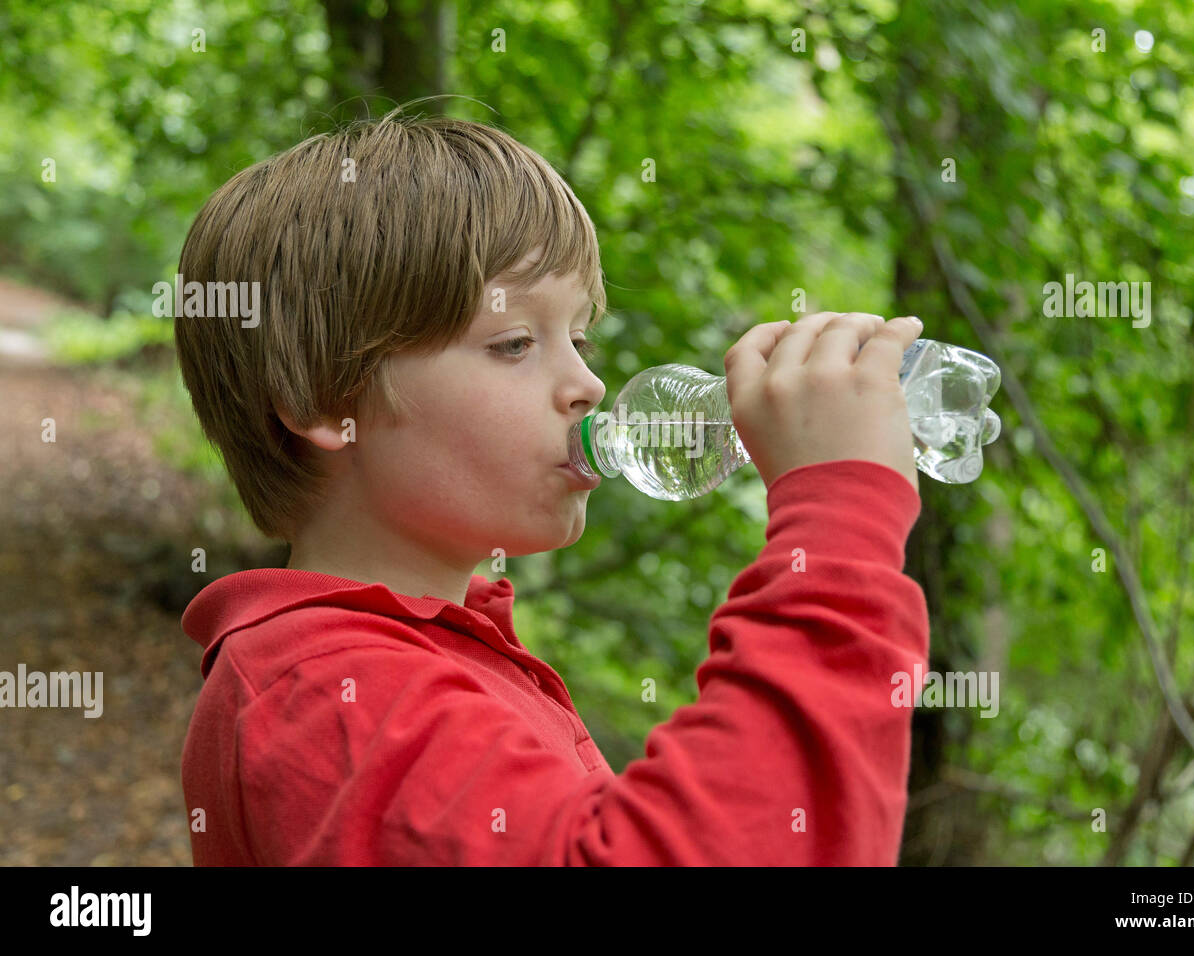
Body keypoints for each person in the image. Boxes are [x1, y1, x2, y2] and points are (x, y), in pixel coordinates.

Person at [175, 107, 928, 865]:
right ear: (323, 404)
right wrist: (838, 526)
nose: (589, 384)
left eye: (581, 337)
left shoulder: (415, 660)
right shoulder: (330, 693)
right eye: (513, 343)